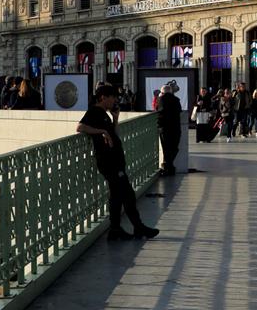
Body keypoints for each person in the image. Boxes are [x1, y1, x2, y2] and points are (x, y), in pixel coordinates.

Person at [76, 83, 159, 241]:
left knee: (116, 196)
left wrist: (115, 119)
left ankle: (115, 229)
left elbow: (113, 134)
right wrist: (102, 132)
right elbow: (80, 127)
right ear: (103, 97)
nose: (114, 100)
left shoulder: (104, 114)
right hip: (109, 162)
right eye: (112, 97)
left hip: (114, 160)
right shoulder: (94, 111)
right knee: (127, 194)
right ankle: (138, 227)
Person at [156, 83, 183, 176]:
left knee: (166, 149)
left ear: (162, 92)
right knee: (174, 148)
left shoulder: (161, 99)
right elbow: (179, 111)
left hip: (164, 128)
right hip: (175, 128)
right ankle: (169, 167)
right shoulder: (176, 100)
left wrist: (159, 97)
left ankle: (167, 166)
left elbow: (158, 110)